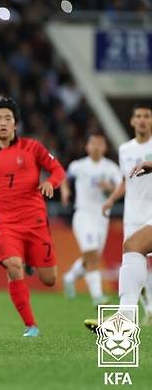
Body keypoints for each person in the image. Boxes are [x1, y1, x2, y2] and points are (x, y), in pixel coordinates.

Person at [0, 95, 65, 337]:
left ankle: (31, 262)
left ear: (15, 123)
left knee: (49, 279)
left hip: (35, 220)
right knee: (12, 265)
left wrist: (51, 183)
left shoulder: (33, 148)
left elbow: (58, 169)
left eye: (8, 118)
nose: (3, 122)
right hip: (6, 222)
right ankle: (31, 325)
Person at [85, 104, 152, 330]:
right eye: (139, 116)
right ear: (132, 121)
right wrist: (112, 199)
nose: (142, 120)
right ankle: (126, 318)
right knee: (133, 248)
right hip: (133, 213)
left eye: (147, 116)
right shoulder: (125, 150)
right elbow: (126, 180)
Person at [60, 133, 120, 305]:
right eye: (93, 143)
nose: (96, 146)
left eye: (100, 144)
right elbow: (64, 177)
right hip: (83, 214)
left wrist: (108, 188)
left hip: (102, 217)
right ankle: (97, 297)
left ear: (105, 148)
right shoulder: (79, 166)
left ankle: (70, 276)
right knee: (92, 254)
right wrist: (65, 191)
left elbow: (119, 189)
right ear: (87, 147)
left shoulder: (111, 168)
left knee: (91, 257)